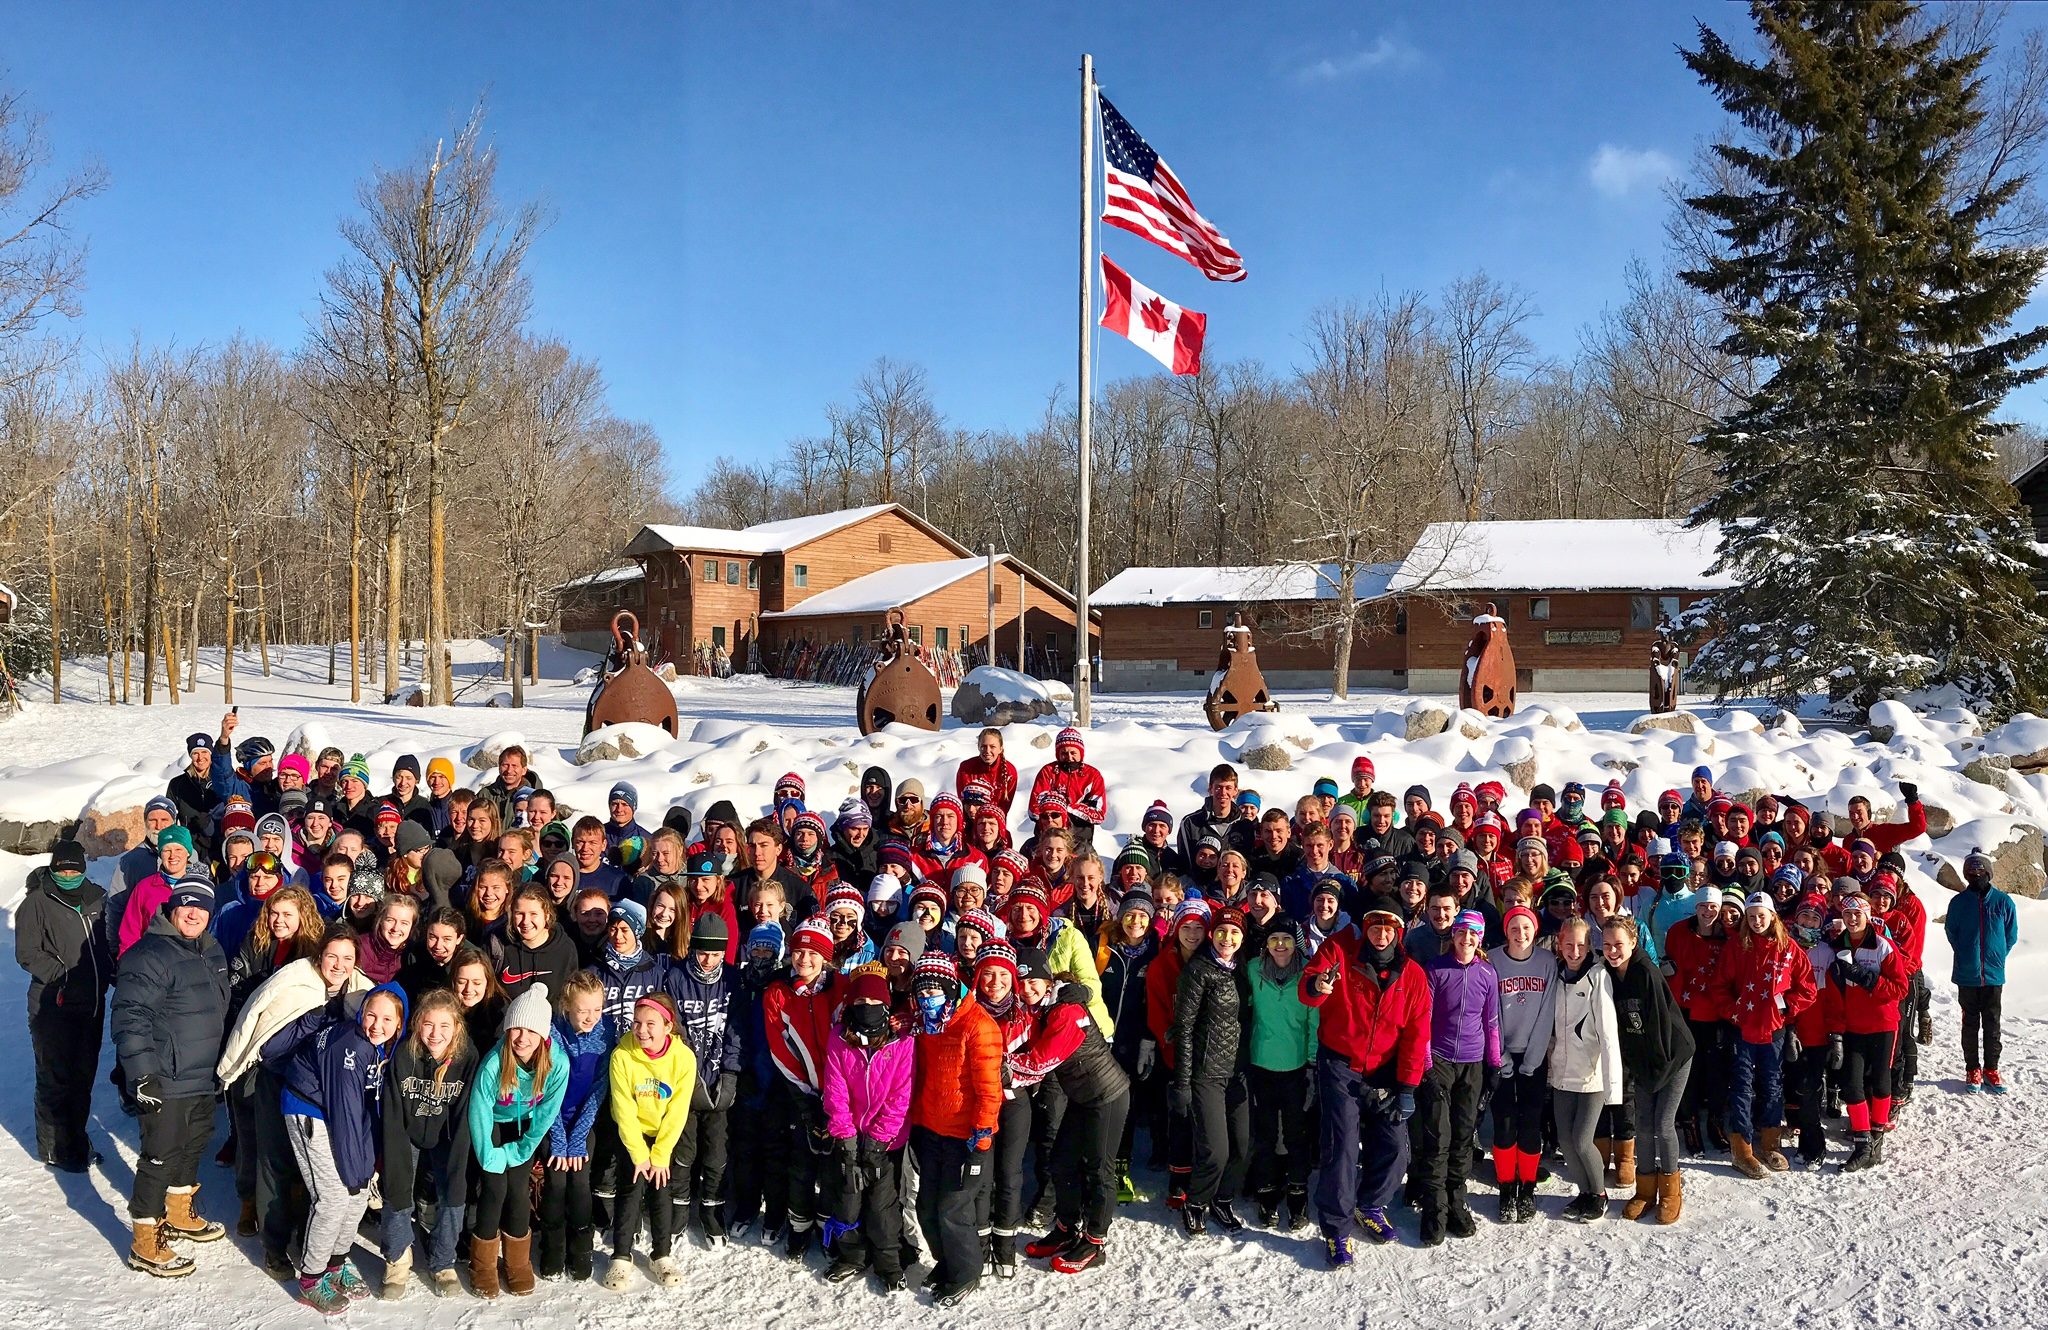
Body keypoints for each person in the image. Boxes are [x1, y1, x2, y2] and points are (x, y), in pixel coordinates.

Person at [112, 879, 231, 1277]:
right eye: (186, 905)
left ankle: (178, 1212)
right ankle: (144, 1239)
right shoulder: (149, 954)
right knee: (159, 1157)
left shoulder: (211, 949)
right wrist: (142, 1074)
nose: (194, 913)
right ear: (172, 907)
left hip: (202, 1075)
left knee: (192, 1146)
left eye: (201, 907)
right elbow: (130, 1017)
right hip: (165, 1075)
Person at [1298, 906, 1430, 1262]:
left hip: (1386, 1068)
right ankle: (1337, 1229)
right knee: (1341, 1146)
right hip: (1341, 1062)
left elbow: (1417, 1034)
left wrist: (1407, 1087)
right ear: (1365, 928)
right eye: (1374, 926)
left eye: (1388, 928)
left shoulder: (1412, 975)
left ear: (1398, 933)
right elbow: (1308, 988)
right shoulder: (1339, 952)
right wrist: (1318, 984)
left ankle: (1370, 1204)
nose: (1381, 933)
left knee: (1395, 1147)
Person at [270, 982, 407, 1311]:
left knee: (357, 1196)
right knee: (332, 1197)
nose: (377, 1025)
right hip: (309, 1110)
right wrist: (356, 1170)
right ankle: (311, 1278)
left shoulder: (380, 1049)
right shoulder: (350, 1046)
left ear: (399, 1024)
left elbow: (363, 1111)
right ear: (362, 1012)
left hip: (336, 1113)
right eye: (371, 1015)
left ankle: (335, 1263)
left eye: (387, 1020)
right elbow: (346, 1113)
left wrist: (363, 1171)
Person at [1009, 961, 1131, 1274]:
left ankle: (1095, 1241)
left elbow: (1039, 1061)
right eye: (1020, 983)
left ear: (1048, 982)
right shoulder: (1042, 1008)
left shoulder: (1066, 1011)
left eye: (1033, 981)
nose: (1026, 989)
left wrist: (997, 1065)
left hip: (1106, 1096)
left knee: (1097, 1168)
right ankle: (1066, 1227)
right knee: (1062, 1162)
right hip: (1082, 1096)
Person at [908, 951, 1001, 1308]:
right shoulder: (929, 1023)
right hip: (933, 1129)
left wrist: (982, 1130)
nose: (927, 998)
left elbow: (990, 1088)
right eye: (922, 991)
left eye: (934, 990)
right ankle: (947, 1262)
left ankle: (966, 1273)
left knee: (952, 1207)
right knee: (926, 1207)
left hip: (968, 1135)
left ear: (950, 989)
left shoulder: (977, 1025)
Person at [16, 839, 113, 1172]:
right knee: (56, 1077)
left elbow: (108, 943)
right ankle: (56, 1148)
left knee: (83, 1076)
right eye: (62, 869)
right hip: (53, 1005)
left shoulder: (97, 897)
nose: (68, 874)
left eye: (74, 868)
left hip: (92, 1002)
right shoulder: (37, 903)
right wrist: (63, 976)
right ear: (54, 868)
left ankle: (75, 1137)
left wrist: (114, 970)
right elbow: (27, 953)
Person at [468, 982, 570, 1299]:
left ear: (544, 1035)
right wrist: (490, 1155)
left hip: (525, 1128)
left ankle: (517, 1261)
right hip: (494, 1126)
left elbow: (546, 1115)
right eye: (516, 1029)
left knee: (518, 1190)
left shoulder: (557, 1064)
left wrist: (523, 1150)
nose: (523, 1038)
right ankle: (482, 1265)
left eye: (531, 1031)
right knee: (495, 1189)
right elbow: (480, 1111)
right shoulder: (494, 1063)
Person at [820, 966, 915, 1291]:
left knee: (881, 1204)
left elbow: (901, 1096)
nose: (867, 1006)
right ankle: (852, 1255)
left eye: (875, 1000)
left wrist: (876, 1142)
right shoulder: (839, 1037)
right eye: (860, 1000)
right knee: (847, 1196)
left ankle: (889, 1262)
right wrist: (846, 1139)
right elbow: (836, 1091)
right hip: (848, 1133)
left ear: (887, 1005)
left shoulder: (902, 1043)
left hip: (885, 1141)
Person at [380, 989, 478, 1300]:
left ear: (456, 1028)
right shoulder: (404, 1055)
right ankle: (397, 1258)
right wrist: (392, 1152)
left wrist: (458, 1155)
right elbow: (393, 1111)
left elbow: (465, 1113)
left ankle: (443, 1261)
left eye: (444, 1026)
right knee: (397, 1186)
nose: (435, 1034)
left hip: (447, 1134)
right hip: (407, 1130)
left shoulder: (467, 1057)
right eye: (428, 1025)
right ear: (417, 1024)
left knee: (454, 1189)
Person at [762, 917, 847, 1256]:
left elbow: (852, 1044)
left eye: (813, 952)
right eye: (798, 951)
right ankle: (799, 1227)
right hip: (801, 1093)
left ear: (825, 955)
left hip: (840, 1095)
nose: (805, 959)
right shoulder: (778, 993)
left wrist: (835, 1099)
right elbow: (779, 1047)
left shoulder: (842, 986)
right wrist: (807, 1100)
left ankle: (827, 1228)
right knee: (801, 1163)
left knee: (831, 1167)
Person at [1414, 910, 1499, 1246]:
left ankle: (1456, 1201)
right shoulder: (1436, 969)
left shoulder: (1487, 974)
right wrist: (1426, 1065)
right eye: (1461, 933)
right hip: (1440, 1060)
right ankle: (1434, 1208)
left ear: (1480, 939)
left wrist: (1493, 1063)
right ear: (1453, 935)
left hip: (1472, 1062)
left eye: (1473, 935)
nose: (1466, 940)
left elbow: (1491, 1021)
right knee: (1438, 1136)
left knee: (1464, 1136)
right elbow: (1424, 1020)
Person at [1716, 892, 1816, 1176]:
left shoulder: (1789, 948)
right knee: (1742, 1087)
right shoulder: (1737, 946)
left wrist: (1786, 1010)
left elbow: (1806, 988)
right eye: (1752, 916)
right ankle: (1742, 1147)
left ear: (1772, 916)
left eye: (1762, 915)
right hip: (1743, 1028)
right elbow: (1720, 987)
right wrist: (1733, 1012)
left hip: (1773, 1029)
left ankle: (1770, 1142)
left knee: (1772, 1085)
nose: (1757, 921)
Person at [602, 992, 696, 1290]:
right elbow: (623, 1107)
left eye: (650, 1024)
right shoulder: (622, 1055)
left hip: (665, 1134)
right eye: (637, 1023)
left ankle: (662, 1254)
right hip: (633, 1135)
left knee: (661, 1190)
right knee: (629, 1190)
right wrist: (639, 1153)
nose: (641, 1030)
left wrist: (660, 1154)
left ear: (668, 1026)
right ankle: (621, 1255)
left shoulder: (683, 1058)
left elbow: (678, 1109)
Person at [1603, 914, 1694, 1223]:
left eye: (1619, 944)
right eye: (1607, 945)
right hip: (1644, 1060)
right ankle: (1644, 1190)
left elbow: (1657, 1029)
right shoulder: (1610, 974)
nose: (1613, 951)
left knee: (1663, 1124)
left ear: (1633, 942)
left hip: (1671, 1056)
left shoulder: (1647, 974)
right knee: (1642, 1124)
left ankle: (1671, 1191)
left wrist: (1651, 1074)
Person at [1170, 905, 1253, 1237]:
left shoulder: (1244, 969)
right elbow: (1184, 1028)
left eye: (1234, 933)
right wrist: (1183, 1082)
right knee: (1215, 1149)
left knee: (1243, 1145)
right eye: (1221, 932)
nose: (1227, 939)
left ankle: (1223, 1198)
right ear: (1211, 934)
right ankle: (1197, 1201)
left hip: (1238, 1070)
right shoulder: (1198, 970)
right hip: (1207, 1071)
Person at [665, 909, 743, 1244]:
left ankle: (712, 1209)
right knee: (683, 1149)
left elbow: (736, 1031)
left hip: (719, 1078)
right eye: (702, 952)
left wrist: (730, 1071)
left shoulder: (732, 979)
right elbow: (675, 1029)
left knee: (716, 1151)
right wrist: (689, 1076)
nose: (708, 960)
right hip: (686, 1080)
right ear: (692, 948)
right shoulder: (677, 977)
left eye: (715, 954)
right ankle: (679, 1208)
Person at [1821, 892, 1909, 1170]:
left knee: (1882, 1081)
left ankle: (1877, 1136)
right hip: (1853, 1027)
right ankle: (1863, 1142)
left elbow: (1900, 988)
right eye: (1847, 913)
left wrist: (1865, 977)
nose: (1852, 918)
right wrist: (1836, 1032)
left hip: (1883, 1024)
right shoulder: (1837, 949)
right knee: (1852, 1085)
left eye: (1857, 913)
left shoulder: (1882, 947)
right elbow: (1834, 998)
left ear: (1868, 915)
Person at [538, 973, 611, 1282]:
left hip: (583, 1121)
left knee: (580, 1181)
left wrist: (577, 1138)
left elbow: (598, 1089)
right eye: (583, 1010)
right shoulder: (552, 1034)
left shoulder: (606, 1033)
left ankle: (580, 1248)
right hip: (551, 1120)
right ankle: (552, 1247)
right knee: (556, 1183)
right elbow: (545, 1090)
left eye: (597, 1009)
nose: (591, 1017)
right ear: (567, 1006)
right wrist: (559, 1140)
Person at [1244, 917, 1317, 1229]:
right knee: (1265, 1136)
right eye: (1274, 939)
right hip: (1260, 1064)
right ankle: (1267, 1192)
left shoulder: (1307, 975)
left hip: (1296, 1068)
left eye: (1287, 939)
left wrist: (1313, 1064)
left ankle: (1298, 1195)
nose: (1281, 945)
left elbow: (1315, 1022)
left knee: (1296, 1136)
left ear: (1296, 942)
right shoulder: (1251, 969)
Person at [1548, 918, 1623, 1221]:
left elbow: (1608, 1033)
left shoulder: (1597, 976)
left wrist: (1612, 1085)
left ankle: (1599, 1193)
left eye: (1581, 944)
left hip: (1591, 1075)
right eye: (1569, 944)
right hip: (1562, 1072)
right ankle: (1584, 1192)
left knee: (1582, 1140)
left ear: (1589, 945)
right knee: (1565, 1142)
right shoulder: (1555, 975)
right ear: (1560, 945)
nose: (1575, 950)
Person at [1490, 905, 1558, 1224]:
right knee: (1504, 1122)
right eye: (1514, 928)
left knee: (1530, 1122)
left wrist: (1533, 1058)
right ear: (1506, 931)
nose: (1521, 934)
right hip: (1500, 1052)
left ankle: (1527, 1187)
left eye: (1526, 928)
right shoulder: (1493, 960)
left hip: (1534, 1053)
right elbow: (1490, 1013)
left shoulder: (1546, 963)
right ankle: (1506, 1187)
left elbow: (1547, 1012)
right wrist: (1500, 1055)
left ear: (1534, 930)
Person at [1946, 847, 2017, 1093]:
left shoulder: (2003, 901)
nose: (1975, 874)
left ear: (1989, 871)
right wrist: (1967, 954)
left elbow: (2011, 935)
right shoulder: (1958, 902)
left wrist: (1996, 956)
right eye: (1970, 870)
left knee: (1993, 1024)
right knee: (1970, 1024)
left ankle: (1992, 1069)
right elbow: (1951, 932)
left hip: (1994, 975)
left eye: (1979, 869)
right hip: (1967, 975)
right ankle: (1972, 1068)